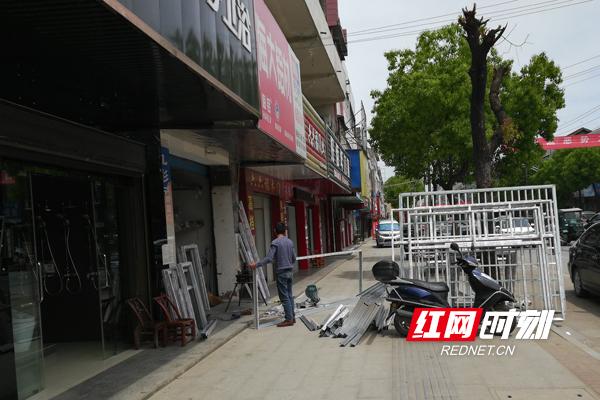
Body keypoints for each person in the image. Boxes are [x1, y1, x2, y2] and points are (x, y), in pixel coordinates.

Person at [250, 222, 296, 327]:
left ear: (275, 231)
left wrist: (256, 264)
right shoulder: (290, 242)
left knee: (284, 297)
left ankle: (289, 319)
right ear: (285, 231)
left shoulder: (275, 243)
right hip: (290, 272)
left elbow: (269, 258)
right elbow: (293, 258)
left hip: (281, 273)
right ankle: (292, 317)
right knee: (289, 295)